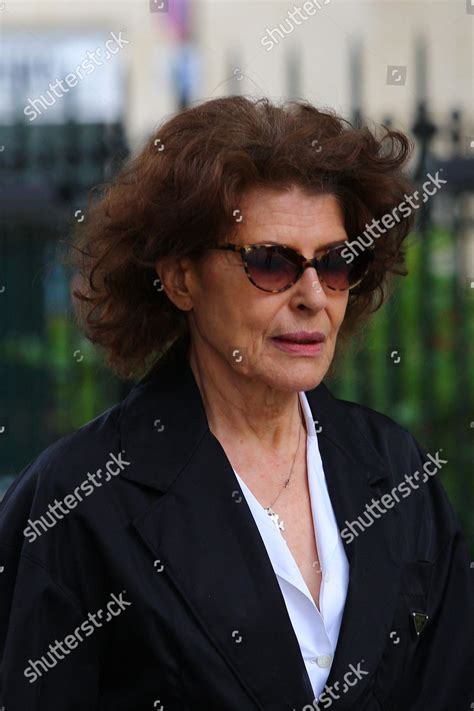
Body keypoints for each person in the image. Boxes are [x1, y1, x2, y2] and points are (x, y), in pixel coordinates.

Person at [0, 96, 472, 710]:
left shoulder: (397, 469)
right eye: (270, 262)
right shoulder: (79, 500)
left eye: (334, 262)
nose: (312, 296)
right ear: (180, 278)